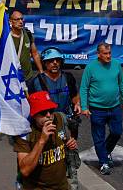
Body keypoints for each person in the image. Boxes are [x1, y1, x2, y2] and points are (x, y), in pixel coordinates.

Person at [28, 47, 82, 189]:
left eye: (57, 60)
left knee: (70, 153)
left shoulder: (68, 78)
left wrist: (77, 105)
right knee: (50, 155)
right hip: (46, 124)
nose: (55, 63)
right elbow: (31, 106)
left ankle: (72, 181)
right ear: (45, 63)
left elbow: (75, 97)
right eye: (51, 61)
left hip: (65, 123)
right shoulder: (36, 81)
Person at [80, 43, 123, 175]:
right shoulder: (90, 68)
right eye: (105, 54)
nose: (108, 56)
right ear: (98, 54)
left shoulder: (116, 64)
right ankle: (103, 162)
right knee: (99, 137)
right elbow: (84, 88)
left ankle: (106, 152)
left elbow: (122, 83)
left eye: (110, 53)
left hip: (114, 107)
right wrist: (84, 107)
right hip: (97, 109)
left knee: (117, 132)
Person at [13, 91, 77, 190]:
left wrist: (70, 144)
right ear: (33, 115)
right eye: (43, 112)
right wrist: (42, 140)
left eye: (51, 110)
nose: (49, 115)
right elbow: (25, 170)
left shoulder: (59, 118)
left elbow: (66, 139)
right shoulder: (25, 132)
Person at [9, 10, 43, 87]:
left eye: (21, 19)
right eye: (17, 19)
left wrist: (41, 71)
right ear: (11, 21)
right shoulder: (6, 37)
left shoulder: (27, 34)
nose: (20, 21)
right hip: (11, 77)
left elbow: (35, 53)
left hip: (28, 77)